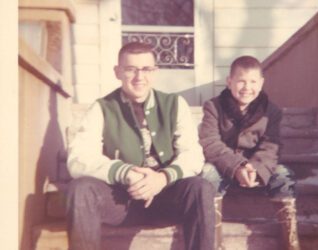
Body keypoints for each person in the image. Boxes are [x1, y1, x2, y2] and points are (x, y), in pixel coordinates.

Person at [66, 41, 215, 250]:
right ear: (117, 72)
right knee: (81, 189)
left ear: (154, 72)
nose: (139, 77)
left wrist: (163, 178)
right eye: (130, 69)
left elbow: (193, 155)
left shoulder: (174, 104)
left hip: (165, 198)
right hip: (120, 200)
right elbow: (78, 158)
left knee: (200, 188)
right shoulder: (102, 108)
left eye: (146, 69)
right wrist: (125, 172)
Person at [199, 56, 301, 250]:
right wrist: (237, 166)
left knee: (284, 174)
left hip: (256, 170)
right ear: (229, 82)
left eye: (253, 81)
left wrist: (255, 168)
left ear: (261, 83)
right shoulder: (213, 107)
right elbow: (210, 142)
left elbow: (271, 146)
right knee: (206, 174)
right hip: (224, 167)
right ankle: (212, 241)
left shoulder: (271, 112)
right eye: (241, 81)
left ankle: (289, 241)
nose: (247, 87)